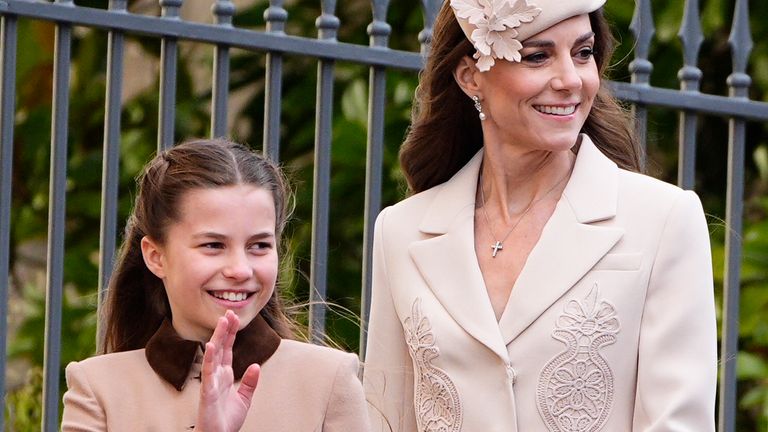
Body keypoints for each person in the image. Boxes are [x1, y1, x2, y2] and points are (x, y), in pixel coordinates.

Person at [362, 0, 717, 431]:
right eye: (537, 56)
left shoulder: (664, 219)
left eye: (583, 53)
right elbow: (384, 418)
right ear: (470, 75)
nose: (571, 79)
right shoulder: (400, 231)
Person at [61, 138, 371, 431]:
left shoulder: (328, 380)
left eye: (259, 246)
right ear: (156, 257)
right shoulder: (98, 389)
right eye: (213, 245)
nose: (240, 269)